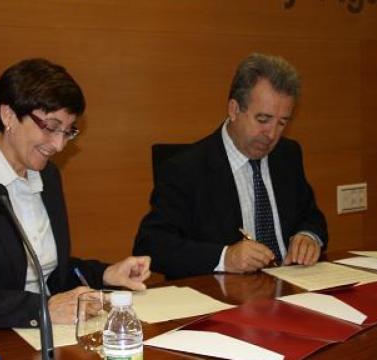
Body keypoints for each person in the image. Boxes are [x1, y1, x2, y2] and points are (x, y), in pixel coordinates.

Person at [0, 58, 151, 329]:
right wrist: (42, 309)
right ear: (8, 115)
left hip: (47, 337)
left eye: (67, 132)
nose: (59, 145)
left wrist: (108, 273)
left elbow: (47, 269)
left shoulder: (47, 176)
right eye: (51, 128)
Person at [133, 53, 327, 279]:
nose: (272, 134)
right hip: (227, 298)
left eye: (282, 122)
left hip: (292, 290)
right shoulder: (186, 168)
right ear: (234, 110)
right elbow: (152, 245)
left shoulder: (287, 154)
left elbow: (312, 216)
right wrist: (225, 257)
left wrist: (308, 236)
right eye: (263, 120)